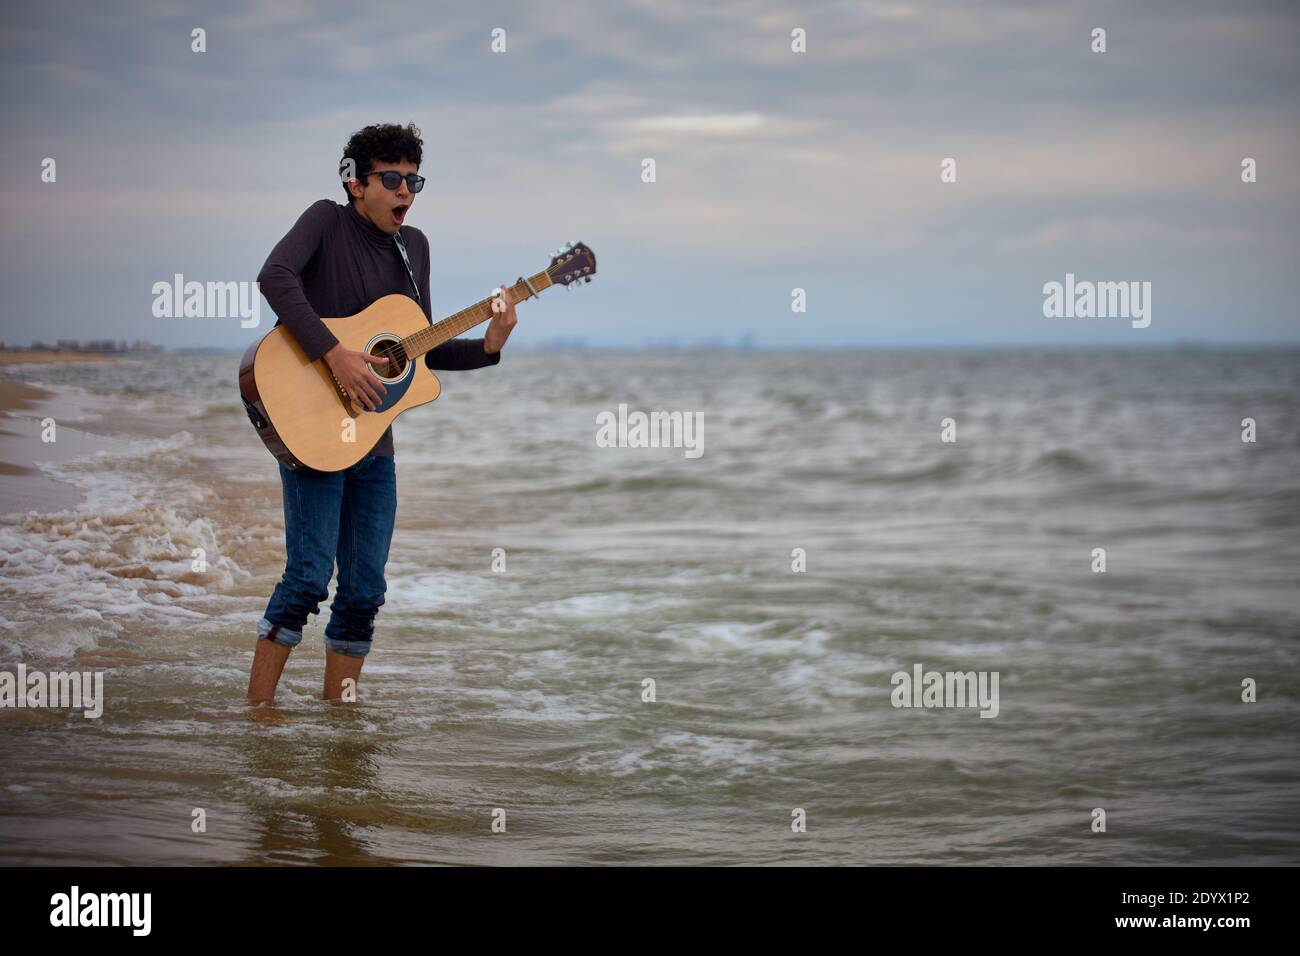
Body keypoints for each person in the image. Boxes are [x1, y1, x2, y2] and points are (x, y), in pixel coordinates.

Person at [246, 122, 517, 704]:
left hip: (375, 443)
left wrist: (491, 343)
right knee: (307, 579)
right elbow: (275, 277)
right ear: (355, 182)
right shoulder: (324, 220)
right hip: (313, 425)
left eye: (413, 180)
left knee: (365, 590)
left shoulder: (412, 248)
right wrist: (335, 355)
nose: (405, 192)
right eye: (391, 179)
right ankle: (257, 716)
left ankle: (338, 724)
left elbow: (420, 349)